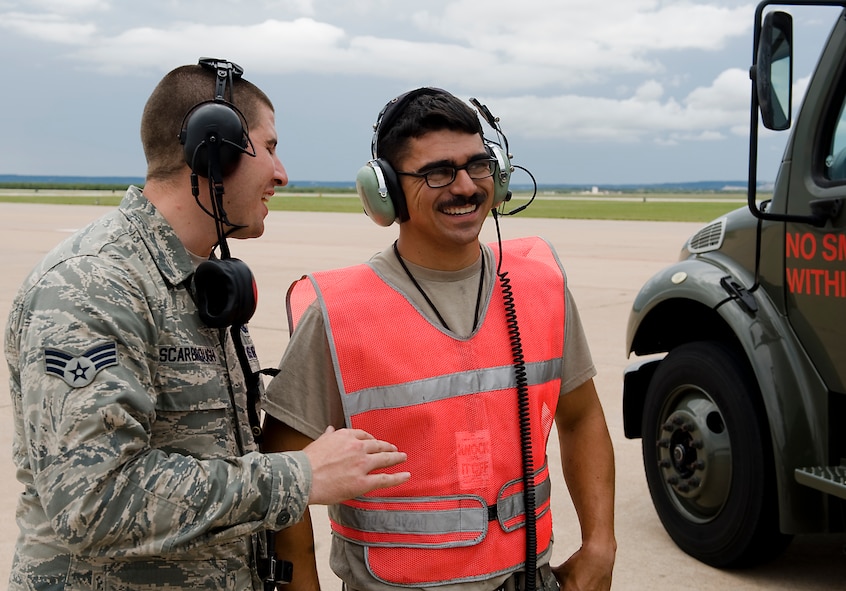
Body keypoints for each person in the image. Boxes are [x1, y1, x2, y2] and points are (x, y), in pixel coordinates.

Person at [4, 58, 409, 591]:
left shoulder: (203, 281)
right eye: (267, 147)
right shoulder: (91, 287)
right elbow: (92, 503)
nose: (281, 173)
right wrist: (302, 475)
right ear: (213, 150)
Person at [262, 87, 616, 591]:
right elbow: (284, 468)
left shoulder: (540, 288)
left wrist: (600, 545)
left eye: (479, 165)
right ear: (385, 191)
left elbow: (580, 416)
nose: (467, 187)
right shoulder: (339, 313)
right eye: (437, 172)